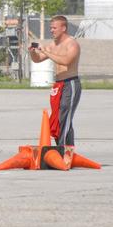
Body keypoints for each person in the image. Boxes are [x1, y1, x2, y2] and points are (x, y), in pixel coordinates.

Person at [29, 15, 82, 146]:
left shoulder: (72, 44)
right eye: (51, 28)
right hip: (58, 84)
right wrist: (33, 52)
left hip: (70, 83)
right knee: (57, 119)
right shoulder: (53, 44)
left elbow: (66, 61)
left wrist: (46, 52)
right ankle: (67, 149)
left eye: (54, 28)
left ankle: (63, 149)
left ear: (63, 28)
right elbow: (37, 59)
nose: (51, 30)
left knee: (65, 115)